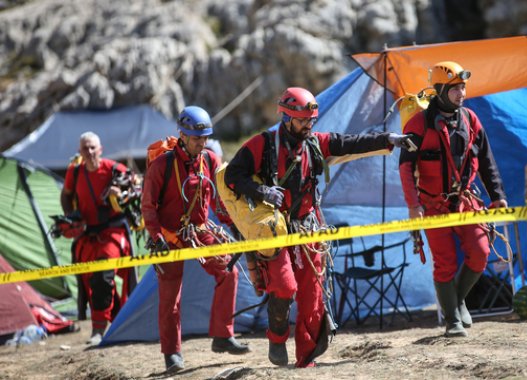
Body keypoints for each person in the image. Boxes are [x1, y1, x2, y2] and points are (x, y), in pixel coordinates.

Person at [224, 87, 415, 368]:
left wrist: (389, 139)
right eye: (303, 120)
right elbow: (232, 176)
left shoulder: (315, 143)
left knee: (313, 298)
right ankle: (277, 338)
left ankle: (306, 360)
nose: (308, 125)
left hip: (308, 230)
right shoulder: (262, 145)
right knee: (285, 286)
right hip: (274, 232)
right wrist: (262, 191)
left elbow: (350, 143)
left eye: (311, 120)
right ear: (287, 118)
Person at [398, 61, 508, 337]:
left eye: (463, 87)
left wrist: (498, 197)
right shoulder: (418, 124)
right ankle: (452, 321)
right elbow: (405, 168)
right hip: (433, 205)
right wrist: (414, 205)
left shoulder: (471, 119)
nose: (462, 93)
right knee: (445, 262)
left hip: (466, 201)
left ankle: (457, 301)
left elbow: (486, 161)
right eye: (456, 88)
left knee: (481, 253)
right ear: (440, 90)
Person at [140, 106, 250, 374]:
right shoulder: (161, 166)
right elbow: (148, 207)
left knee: (229, 272)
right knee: (170, 298)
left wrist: (236, 226)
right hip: (168, 236)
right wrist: (156, 238)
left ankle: (223, 335)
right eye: (197, 138)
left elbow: (219, 201)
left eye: (205, 138)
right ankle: (172, 354)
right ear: (183, 135)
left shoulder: (210, 160)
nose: (202, 143)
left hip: (200, 231)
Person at [60, 132, 137, 345]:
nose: (90, 152)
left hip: (113, 233)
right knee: (91, 281)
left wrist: (120, 193)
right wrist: (70, 217)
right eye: (85, 148)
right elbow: (66, 194)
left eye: (93, 147)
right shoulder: (74, 172)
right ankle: (113, 321)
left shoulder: (115, 170)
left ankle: (99, 330)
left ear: (100, 149)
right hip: (87, 234)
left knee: (103, 275)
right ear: (80, 152)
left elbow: (137, 189)